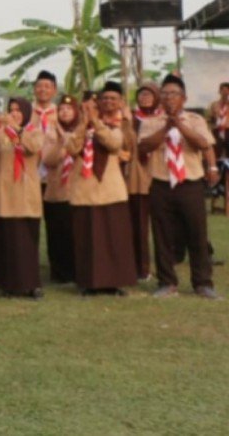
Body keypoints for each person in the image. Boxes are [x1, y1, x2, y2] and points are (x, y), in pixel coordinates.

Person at [136, 74, 220, 299]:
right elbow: (144, 147)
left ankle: (202, 283)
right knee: (162, 234)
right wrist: (165, 127)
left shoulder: (195, 119)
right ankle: (166, 282)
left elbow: (203, 143)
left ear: (184, 98)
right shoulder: (150, 122)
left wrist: (179, 125)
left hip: (190, 183)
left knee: (197, 233)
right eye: (164, 94)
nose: (168, 98)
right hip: (161, 183)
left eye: (173, 94)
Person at [71, 82, 138, 295]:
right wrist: (85, 123)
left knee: (113, 238)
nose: (108, 102)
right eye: (104, 98)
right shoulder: (83, 124)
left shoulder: (121, 123)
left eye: (113, 98)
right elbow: (71, 148)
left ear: (120, 102)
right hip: (85, 189)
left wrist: (96, 123)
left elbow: (114, 144)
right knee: (88, 239)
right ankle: (89, 283)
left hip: (111, 189)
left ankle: (114, 281)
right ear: (98, 101)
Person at [0, 98, 43, 299]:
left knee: (28, 240)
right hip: (5, 193)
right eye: (11, 110)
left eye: (18, 110)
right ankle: (7, 285)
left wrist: (17, 129)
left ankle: (32, 284)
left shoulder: (34, 131)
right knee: (8, 240)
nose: (14, 113)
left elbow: (33, 147)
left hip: (27, 194)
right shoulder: (2, 133)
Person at [40, 93, 78, 285]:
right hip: (56, 190)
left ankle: (77, 271)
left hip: (77, 191)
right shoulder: (51, 132)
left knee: (75, 234)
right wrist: (63, 146)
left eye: (69, 109)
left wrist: (72, 142)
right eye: (61, 109)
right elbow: (47, 159)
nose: (64, 112)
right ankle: (59, 272)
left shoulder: (82, 130)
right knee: (57, 234)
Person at [126, 81, 159, 280]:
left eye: (149, 94)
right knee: (138, 223)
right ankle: (141, 267)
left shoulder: (164, 118)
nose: (145, 97)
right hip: (138, 176)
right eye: (142, 94)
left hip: (160, 173)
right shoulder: (131, 119)